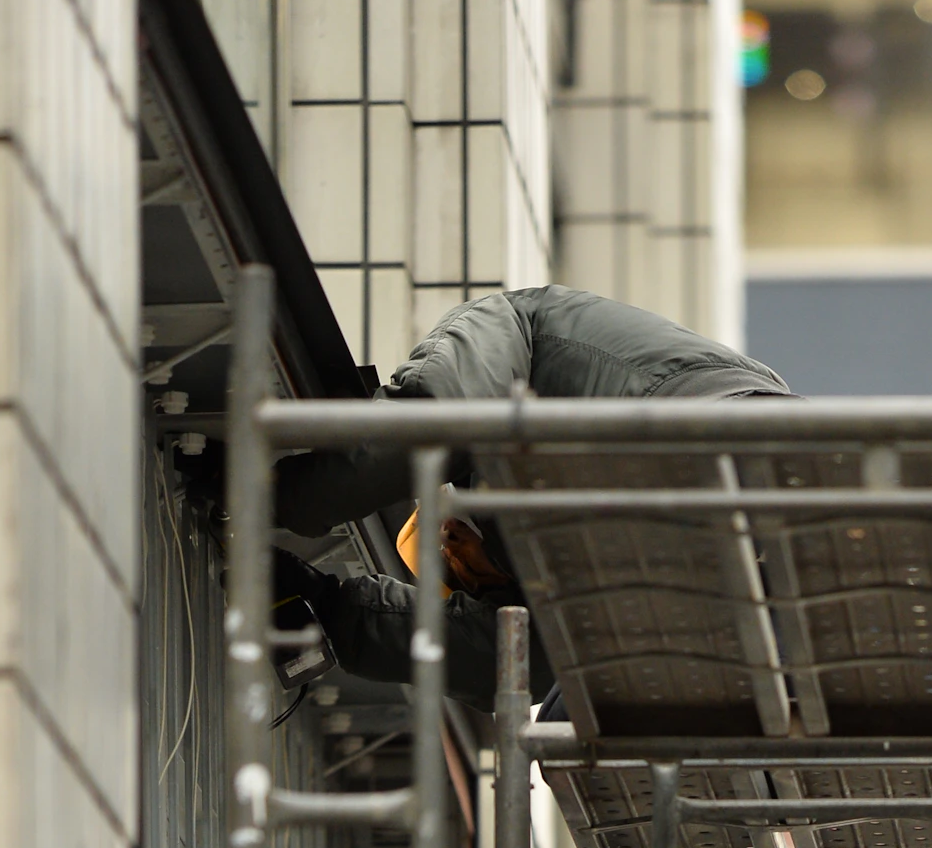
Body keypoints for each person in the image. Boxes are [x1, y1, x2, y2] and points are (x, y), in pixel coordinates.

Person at [260, 285, 791, 699]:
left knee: (528, 662)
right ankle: (261, 492)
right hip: (521, 352)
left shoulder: (568, 558)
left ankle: (305, 587)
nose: (456, 555)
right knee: (429, 432)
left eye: (454, 564)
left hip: (635, 459)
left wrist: (321, 609)